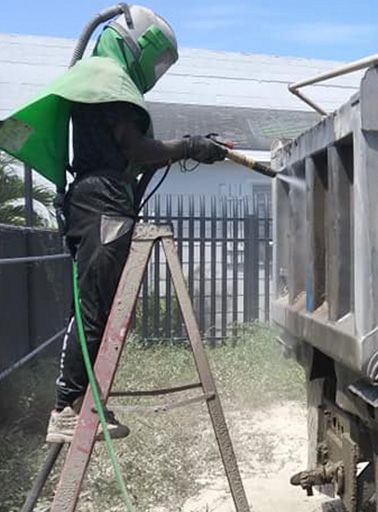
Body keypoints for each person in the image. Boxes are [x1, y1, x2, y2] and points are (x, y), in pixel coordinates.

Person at [0, 6, 228, 443]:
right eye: (157, 60)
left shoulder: (99, 79)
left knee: (97, 310)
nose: (156, 70)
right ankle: (66, 409)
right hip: (101, 205)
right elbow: (135, 149)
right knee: (92, 310)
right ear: (137, 44)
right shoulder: (107, 77)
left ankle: (85, 402)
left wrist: (195, 148)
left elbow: (130, 154)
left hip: (98, 201)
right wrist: (189, 147)